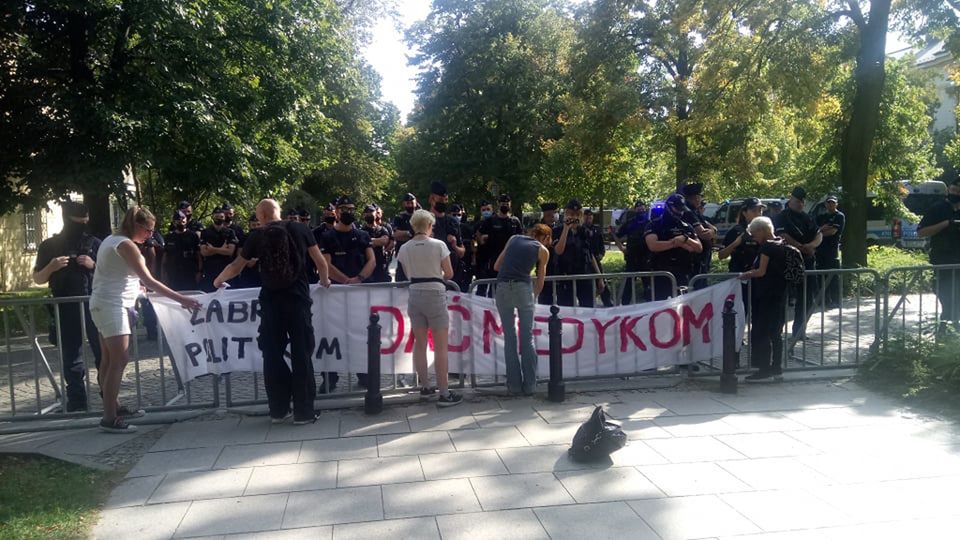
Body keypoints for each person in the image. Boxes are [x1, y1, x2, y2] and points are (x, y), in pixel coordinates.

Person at [215, 199, 331, 424]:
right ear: (279, 212)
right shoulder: (300, 228)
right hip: (297, 299)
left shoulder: (257, 235)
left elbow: (237, 266)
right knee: (301, 354)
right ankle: (303, 412)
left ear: (261, 217)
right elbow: (320, 262)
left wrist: (218, 280)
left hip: (270, 302)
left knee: (272, 354)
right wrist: (324, 280)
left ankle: (278, 410)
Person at [90, 207, 202, 432]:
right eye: (148, 230)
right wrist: (182, 299)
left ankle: (113, 407)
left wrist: (136, 286)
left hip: (106, 304)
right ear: (137, 226)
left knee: (108, 360)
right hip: (113, 306)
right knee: (118, 361)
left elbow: (120, 275)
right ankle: (109, 418)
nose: (150, 235)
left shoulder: (112, 240)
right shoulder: (126, 245)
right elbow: (150, 281)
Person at [32, 201, 103, 412]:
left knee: (103, 354)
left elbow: (109, 274)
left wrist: (94, 265)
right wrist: (51, 267)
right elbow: (38, 278)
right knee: (71, 355)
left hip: (94, 304)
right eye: (77, 222)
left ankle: (109, 397)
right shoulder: (49, 245)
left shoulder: (95, 243)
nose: (82, 225)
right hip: (64, 306)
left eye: (85, 221)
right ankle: (77, 400)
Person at [396, 209, 462, 407]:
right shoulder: (439, 245)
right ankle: (444, 392)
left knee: (420, 343)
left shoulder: (405, 248)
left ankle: (425, 387)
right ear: (430, 226)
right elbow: (449, 273)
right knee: (441, 347)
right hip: (435, 292)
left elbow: (408, 273)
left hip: (415, 293)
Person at [318, 196, 375, 391]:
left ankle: (363, 373)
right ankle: (330, 377)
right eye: (344, 209)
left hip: (358, 293)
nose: (348, 212)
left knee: (360, 334)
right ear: (337, 212)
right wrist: (345, 281)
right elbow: (325, 264)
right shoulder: (327, 237)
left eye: (351, 208)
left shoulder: (362, 236)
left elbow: (371, 261)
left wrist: (358, 279)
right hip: (334, 294)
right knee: (331, 335)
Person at [493, 224, 551, 395]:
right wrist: (533, 296)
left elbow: (497, 266)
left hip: (503, 287)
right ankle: (530, 385)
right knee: (527, 338)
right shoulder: (542, 251)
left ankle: (514, 385)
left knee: (509, 338)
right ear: (545, 238)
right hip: (523, 288)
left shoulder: (513, 239)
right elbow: (540, 281)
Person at [737, 216, 788, 383]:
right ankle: (776, 368)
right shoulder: (782, 243)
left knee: (761, 331)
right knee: (775, 333)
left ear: (762, 231)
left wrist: (745, 275)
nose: (753, 238)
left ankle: (763, 369)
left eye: (754, 234)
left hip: (766, 294)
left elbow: (761, 271)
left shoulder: (766, 247)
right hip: (779, 294)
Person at [775, 186, 821, 340]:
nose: (800, 204)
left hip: (807, 262)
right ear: (791, 199)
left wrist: (811, 246)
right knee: (783, 298)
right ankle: (777, 331)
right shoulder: (782, 216)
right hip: (787, 261)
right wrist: (800, 247)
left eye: (802, 201)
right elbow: (783, 235)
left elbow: (819, 234)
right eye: (797, 201)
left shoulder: (807, 217)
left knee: (807, 298)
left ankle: (799, 331)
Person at [918, 179, 960, 328]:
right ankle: (945, 333)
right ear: (948, 190)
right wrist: (947, 224)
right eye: (954, 190)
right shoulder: (937, 209)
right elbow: (921, 232)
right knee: (947, 300)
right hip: (942, 263)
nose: (956, 194)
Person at [645, 193, 702, 300]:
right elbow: (653, 245)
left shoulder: (686, 226)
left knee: (682, 309)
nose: (680, 212)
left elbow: (698, 247)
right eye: (678, 209)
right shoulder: (654, 225)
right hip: (661, 273)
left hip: (682, 272)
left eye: (682, 209)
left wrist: (686, 239)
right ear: (669, 207)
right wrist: (675, 243)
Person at [718, 197, 765, 314]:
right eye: (754, 211)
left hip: (758, 278)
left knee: (759, 314)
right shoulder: (736, 231)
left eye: (760, 210)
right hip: (740, 277)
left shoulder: (765, 230)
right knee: (740, 313)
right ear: (745, 213)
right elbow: (721, 255)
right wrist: (736, 243)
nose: (758, 214)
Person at [553, 199, 602, 308]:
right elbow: (558, 251)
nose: (574, 217)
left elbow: (591, 255)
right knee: (567, 311)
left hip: (584, 276)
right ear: (565, 214)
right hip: (566, 277)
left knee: (588, 309)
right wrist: (566, 229)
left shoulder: (584, 231)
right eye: (571, 214)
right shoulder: (558, 230)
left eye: (577, 214)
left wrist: (600, 277)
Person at [478, 194, 524, 291]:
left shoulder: (515, 221)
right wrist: (484, 238)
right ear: (498, 204)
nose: (505, 206)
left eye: (507, 204)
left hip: (510, 260)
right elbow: (479, 236)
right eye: (503, 203)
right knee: (491, 288)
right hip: (492, 259)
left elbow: (521, 238)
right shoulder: (490, 221)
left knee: (507, 288)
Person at [614, 200, 650, 304]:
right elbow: (618, 235)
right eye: (639, 208)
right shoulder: (630, 223)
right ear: (635, 209)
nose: (641, 210)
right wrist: (622, 248)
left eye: (642, 208)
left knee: (648, 287)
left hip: (646, 259)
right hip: (632, 259)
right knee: (627, 286)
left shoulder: (649, 222)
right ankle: (625, 308)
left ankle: (650, 308)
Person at [681, 182, 718, 278]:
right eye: (696, 197)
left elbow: (710, 227)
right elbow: (704, 234)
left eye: (699, 197)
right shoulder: (688, 212)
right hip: (693, 257)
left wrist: (713, 230)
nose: (699, 200)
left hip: (701, 256)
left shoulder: (696, 212)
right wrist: (713, 231)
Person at [815, 195, 845, 308]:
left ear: (836, 204)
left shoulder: (839, 216)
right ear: (826, 204)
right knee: (820, 276)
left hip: (832, 251)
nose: (831, 204)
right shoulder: (820, 216)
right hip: (820, 250)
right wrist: (822, 229)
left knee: (833, 277)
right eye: (829, 202)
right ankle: (823, 300)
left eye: (833, 202)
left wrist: (820, 231)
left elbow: (833, 231)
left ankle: (836, 300)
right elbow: (815, 229)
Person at [199, 207, 239, 292]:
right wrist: (221, 249)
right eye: (216, 217)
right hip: (210, 270)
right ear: (213, 217)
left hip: (226, 270)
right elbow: (204, 252)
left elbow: (230, 252)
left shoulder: (230, 232)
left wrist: (212, 249)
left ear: (224, 217)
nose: (219, 219)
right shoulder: (205, 232)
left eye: (221, 217)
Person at [162, 211, 202, 291]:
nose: (181, 222)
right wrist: (163, 274)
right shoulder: (169, 237)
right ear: (174, 222)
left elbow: (198, 255)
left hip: (189, 274)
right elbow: (165, 257)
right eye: (178, 220)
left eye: (183, 220)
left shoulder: (193, 236)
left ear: (186, 221)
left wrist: (199, 272)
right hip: (173, 274)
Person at [583, 208, 613, 307]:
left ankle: (608, 302)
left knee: (602, 282)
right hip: (586, 261)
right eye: (586, 216)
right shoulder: (581, 230)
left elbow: (601, 245)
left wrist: (601, 254)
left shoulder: (597, 230)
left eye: (590, 216)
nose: (588, 218)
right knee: (587, 286)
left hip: (596, 259)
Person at [362, 204, 395, 283]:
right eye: (367, 213)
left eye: (371, 212)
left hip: (381, 265)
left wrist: (368, 241)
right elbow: (361, 243)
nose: (369, 214)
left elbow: (384, 241)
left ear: (375, 213)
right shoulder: (361, 230)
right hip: (366, 266)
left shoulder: (382, 229)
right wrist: (376, 241)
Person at [391, 193, 418, 282]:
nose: (410, 205)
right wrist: (409, 233)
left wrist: (404, 235)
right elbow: (396, 235)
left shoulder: (420, 217)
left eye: (411, 202)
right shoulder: (399, 218)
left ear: (415, 202)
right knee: (401, 284)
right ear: (404, 204)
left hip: (418, 255)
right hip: (403, 256)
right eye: (407, 203)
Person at [449, 203, 474, 293]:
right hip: (451, 262)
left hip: (466, 260)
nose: (457, 217)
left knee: (465, 288)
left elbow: (473, 243)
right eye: (454, 215)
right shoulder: (447, 227)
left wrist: (474, 258)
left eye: (459, 215)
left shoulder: (467, 228)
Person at [235, 213, 262, 289]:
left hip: (263, 271)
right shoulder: (244, 237)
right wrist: (247, 262)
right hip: (247, 271)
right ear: (249, 226)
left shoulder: (267, 237)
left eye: (258, 224)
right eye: (253, 225)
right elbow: (239, 254)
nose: (256, 227)